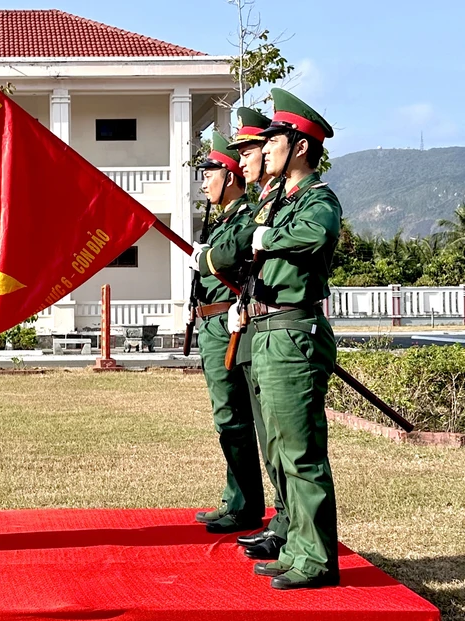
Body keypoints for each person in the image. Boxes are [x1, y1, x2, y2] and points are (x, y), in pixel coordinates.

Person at [229, 89, 342, 589]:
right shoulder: (279, 199)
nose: (266, 146)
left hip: (295, 333)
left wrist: (265, 238)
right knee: (277, 446)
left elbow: (318, 235)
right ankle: (298, 545)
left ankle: (317, 559)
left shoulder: (317, 199)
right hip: (269, 331)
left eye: (275, 138)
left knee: (300, 451)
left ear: (299, 147)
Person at [222, 107, 290, 561]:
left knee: (284, 442)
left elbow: (241, 253)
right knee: (271, 438)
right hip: (255, 322)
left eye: (254, 149)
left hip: (282, 327)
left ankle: (290, 530)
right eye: (248, 149)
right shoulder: (267, 200)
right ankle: (285, 526)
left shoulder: (278, 202)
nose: (250, 158)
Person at [189, 131, 264, 534]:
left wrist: (204, 261)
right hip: (212, 322)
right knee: (227, 417)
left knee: (233, 417)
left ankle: (244, 505)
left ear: (230, 176)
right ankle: (236, 499)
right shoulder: (221, 221)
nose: (203, 181)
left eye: (209, 172)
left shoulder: (246, 216)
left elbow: (229, 258)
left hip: (227, 323)